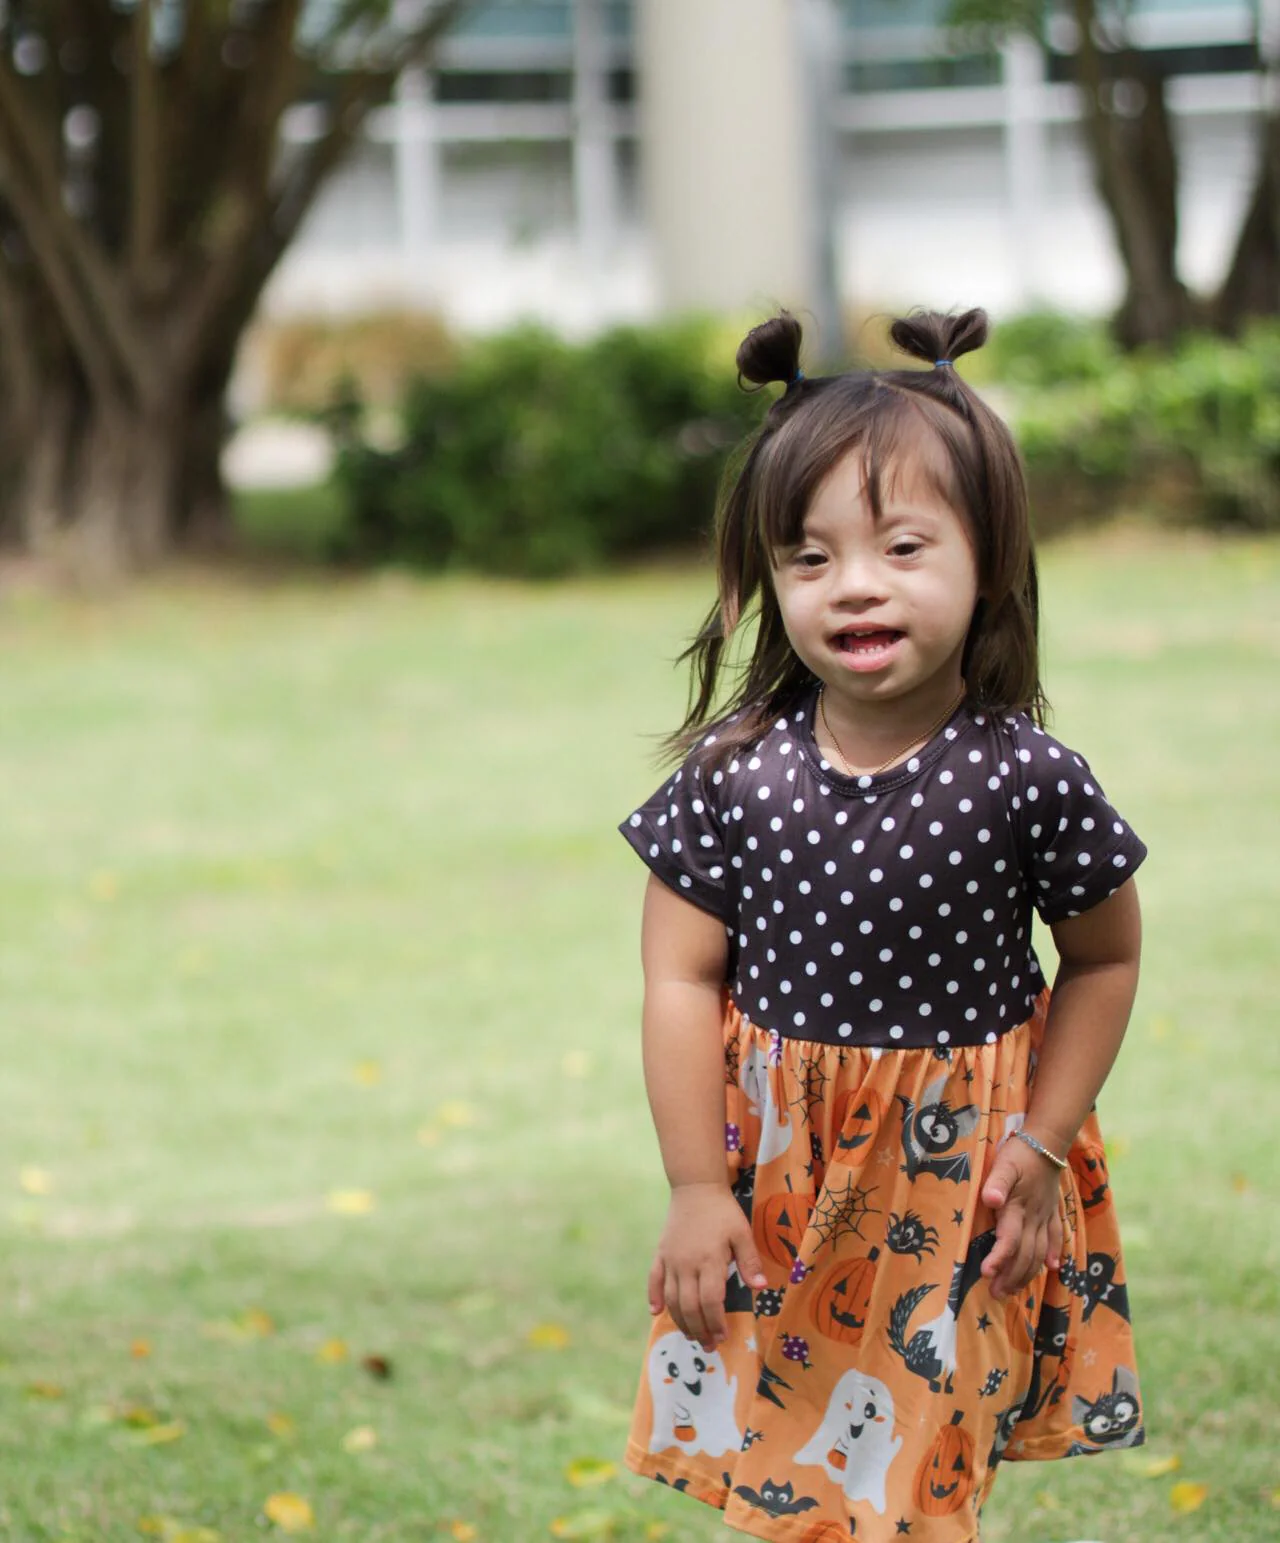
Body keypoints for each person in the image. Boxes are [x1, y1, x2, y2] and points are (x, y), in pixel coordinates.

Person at [617, 308, 1146, 1543]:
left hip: (961, 1177)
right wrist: (698, 1187)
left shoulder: (1025, 778)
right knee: (792, 1470)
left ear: (987, 562)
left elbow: (1105, 954)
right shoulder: (730, 776)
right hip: (778, 1179)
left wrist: (1046, 1139)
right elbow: (676, 981)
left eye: (903, 546)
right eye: (809, 558)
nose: (854, 582)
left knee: (912, 1486)